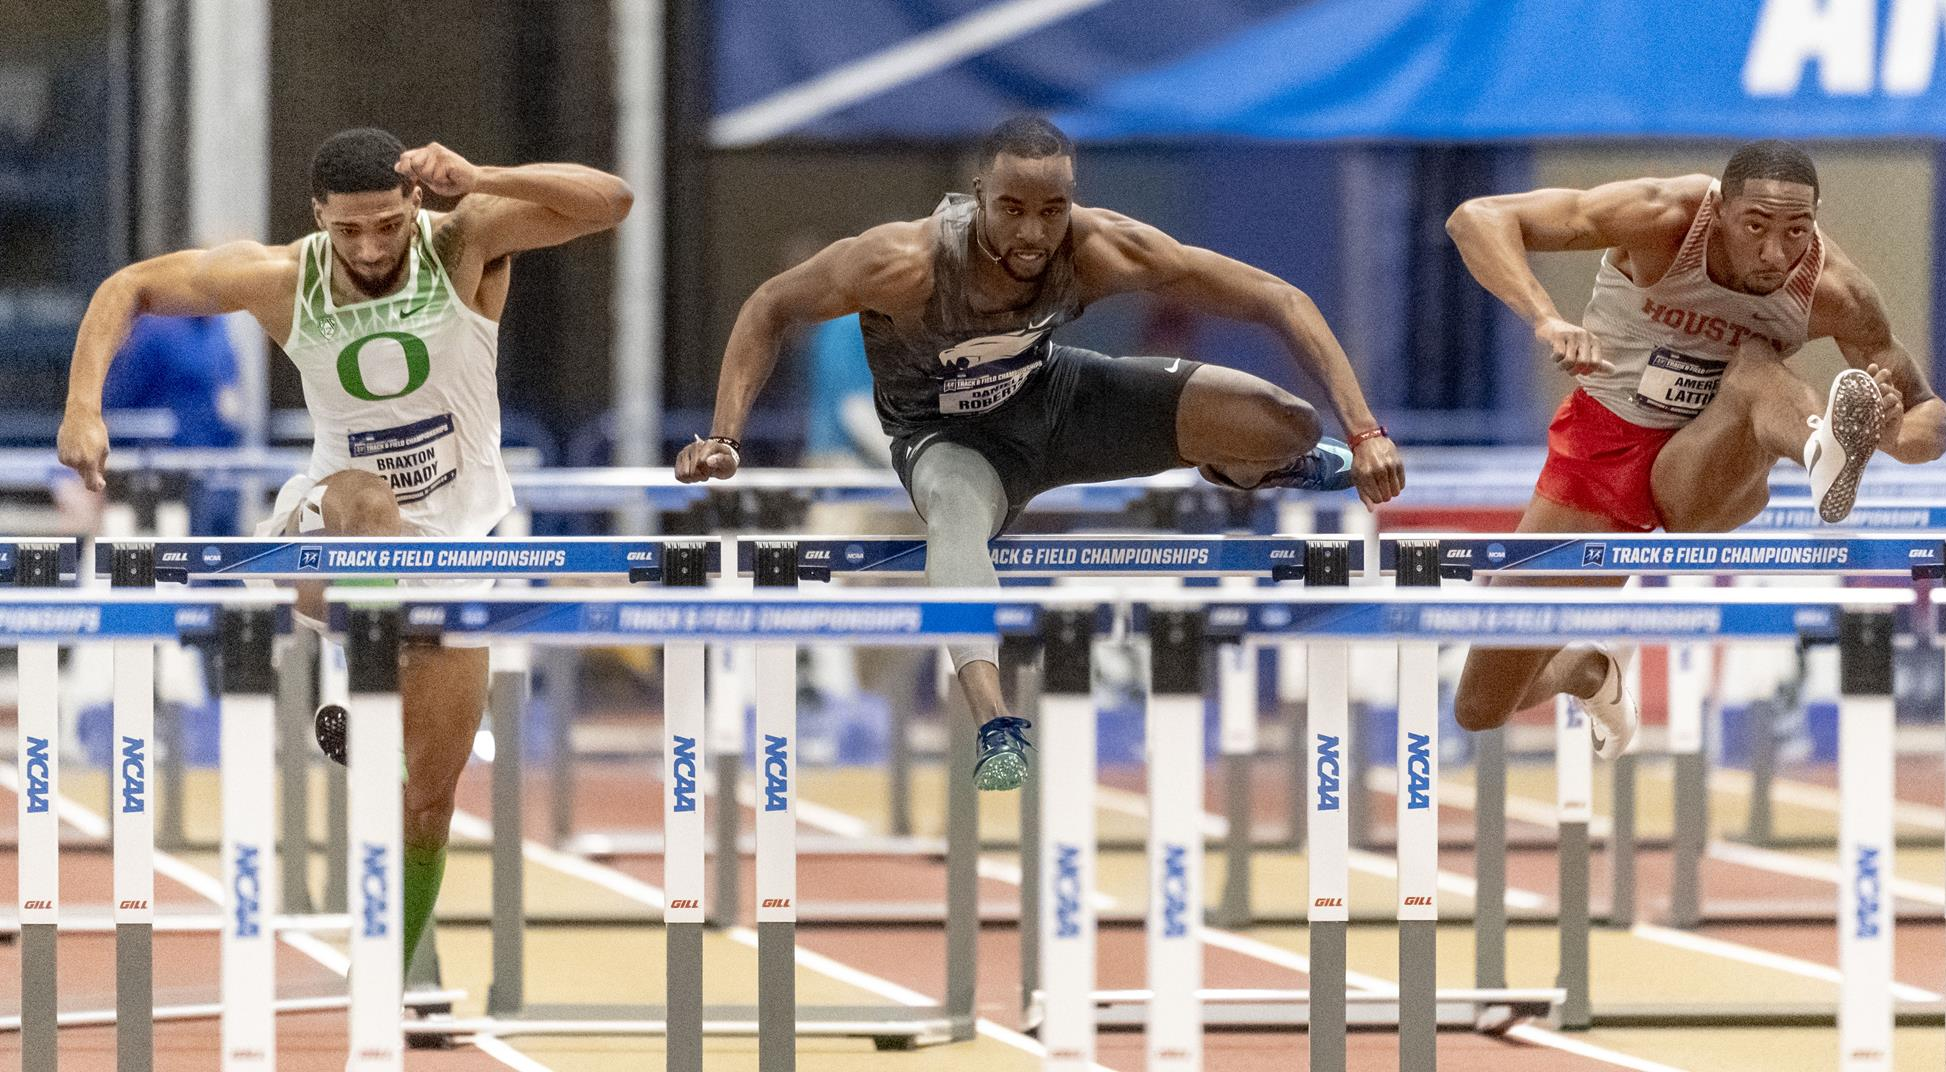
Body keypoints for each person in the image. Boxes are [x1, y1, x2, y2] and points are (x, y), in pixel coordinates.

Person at [675, 116, 1405, 791]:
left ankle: (1252, 464)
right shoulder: (903, 262)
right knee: (957, 518)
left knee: (1287, 422)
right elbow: (769, 304)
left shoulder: (1099, 247)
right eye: (1012, 209)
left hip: (1057, 401)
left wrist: (1367, 431)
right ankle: (998, 725)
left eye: (1051, 211)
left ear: (1071, 201)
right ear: (978, 197)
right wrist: (725, 435)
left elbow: (1277, 297)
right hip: (949, 440)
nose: (1032, 232)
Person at [56, 127, 632, 975]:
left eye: (387, 226)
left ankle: (385, 980)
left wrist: (486, 175)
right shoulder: (286, 278)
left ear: (414, 206)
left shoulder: (464, 238)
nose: (368, 247)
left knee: (428, 805)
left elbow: (611, 202)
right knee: (368, 499)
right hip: (328, 533)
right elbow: (130, 286)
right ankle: (361, 703)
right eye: (348, 229)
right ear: (319, 218)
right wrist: (82, 406)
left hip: (459, 549)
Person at [1444, 140, 1946, 758]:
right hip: (1601, 448)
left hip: (1709, 470)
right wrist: (1546, 318)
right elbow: (1476, 218)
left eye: (1797, 230)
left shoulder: (1834, 289)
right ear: (1721, 210)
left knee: (1756, 368)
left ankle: (1826, 449)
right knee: (1480, 706)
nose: (1775, 252)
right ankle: (1589, 671)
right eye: (1756, 227)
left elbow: (1930, 416)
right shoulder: (1665, 216)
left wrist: (1893, 433)